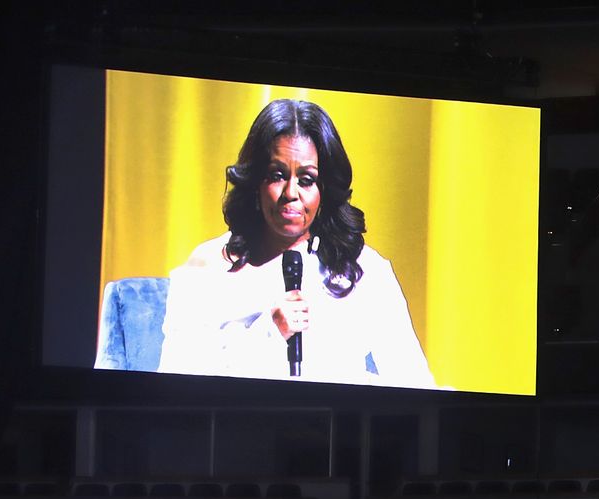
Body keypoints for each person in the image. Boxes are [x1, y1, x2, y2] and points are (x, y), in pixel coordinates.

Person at [154, 99, 436, 388]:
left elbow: (413, 382)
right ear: (255, 182)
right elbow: (174, 383)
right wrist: (268, 333)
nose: (291, 193)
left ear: (325, 188)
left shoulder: (364, 270)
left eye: (306, 179)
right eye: (277, 176)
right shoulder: (209, 265)